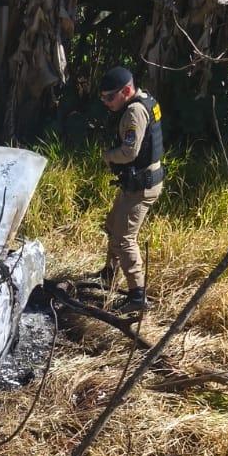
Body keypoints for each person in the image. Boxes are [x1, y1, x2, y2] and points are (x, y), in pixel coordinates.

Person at [96, 65, 164, 313]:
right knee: (113, 224)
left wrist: (108, 156)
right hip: (138, 182)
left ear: (126, 90)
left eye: (110, 97)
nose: (106, 102)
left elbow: (129, 152)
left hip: (142, 187)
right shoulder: (144, 99)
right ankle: (109, 275)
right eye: (102, 97)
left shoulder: (134, 112)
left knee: (125, 238)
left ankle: (137, 296)